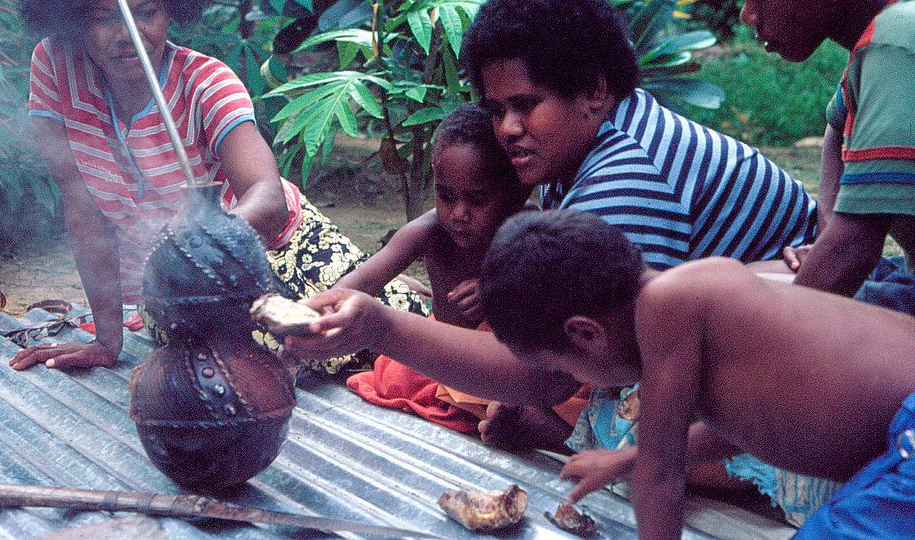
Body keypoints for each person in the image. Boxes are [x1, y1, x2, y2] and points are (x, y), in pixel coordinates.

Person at [288, 209, 915, 538]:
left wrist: (645, 469)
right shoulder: (691, 304)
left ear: (585, 334)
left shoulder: (671, 307)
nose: (578, 384)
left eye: (564, 367)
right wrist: (628, 457)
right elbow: (760, 419)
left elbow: (663, 481)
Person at [8, 0, 423, 373]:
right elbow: (81, 207)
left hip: (282, 249)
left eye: (148, 12)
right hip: (177, 286)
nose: (129, 35)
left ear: (173, 7)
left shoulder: (207, 83)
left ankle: (402, 291)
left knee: (380, 343)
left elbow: (266, 202)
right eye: (105, 18)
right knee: (231, 369)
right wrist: (107, 341)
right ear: (74, 19)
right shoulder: (54, 68)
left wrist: (185, 251)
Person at [457, 0, 820, 500]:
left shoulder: (628, 174)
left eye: (525, 105)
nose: (508, 128)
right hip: (747, 343)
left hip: (795, 371)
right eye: (496, 111)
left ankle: (726, 474)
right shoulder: (592, 144)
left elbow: (550, 372)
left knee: (625, 406)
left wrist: (380, 327)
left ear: (594, 93)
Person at [713, 0, 915, 314]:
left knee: (721, 313)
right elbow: (836, 127)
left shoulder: (897, 44)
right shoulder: (884, 37)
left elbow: (853, 251)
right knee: (733, 287)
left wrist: (781, 330)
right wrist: (827, 239)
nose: (748, 14)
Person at [334, 103, 537, 434]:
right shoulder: (427, 231)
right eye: (445, 196)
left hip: (499, 359)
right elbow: (361, 280)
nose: (458, 213)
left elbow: (548, 303)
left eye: (477, 200)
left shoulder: (528, 226)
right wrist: (326, 310)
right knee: (391, 378)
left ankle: (519, 421)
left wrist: (495, 294)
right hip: (440, 355)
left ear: (515, 193)